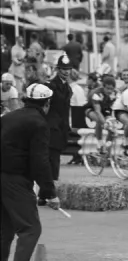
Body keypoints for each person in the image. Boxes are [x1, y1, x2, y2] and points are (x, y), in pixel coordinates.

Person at [1, 83, 60, 261]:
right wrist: (49, 193)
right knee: (30, 228)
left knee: (4, 229)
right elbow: (40, 161)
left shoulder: (8, 117)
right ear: (47, 103)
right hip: (15, 180)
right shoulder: (39, 123)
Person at [43, 54, 73, 183]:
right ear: (58, 69)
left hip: (61, 127)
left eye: (68, 69)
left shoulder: (67, 87)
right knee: (52, 158)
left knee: (55, 157)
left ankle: (51, 186)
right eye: (63, 69)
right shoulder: (51, 85)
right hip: (51, 126)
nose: (66, 72)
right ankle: (50, 187)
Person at [83, 75, 117, 153]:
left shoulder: (116, 93)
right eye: (107, 88)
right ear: (103, 87)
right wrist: (104, 123)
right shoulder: (97, 93)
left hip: (105, 110)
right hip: (91, 109)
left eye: (111, 89)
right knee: (99, 120)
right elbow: (97, 111)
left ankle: (108, 144)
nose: (109, 91)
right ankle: (99, 142)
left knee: (112, 125)